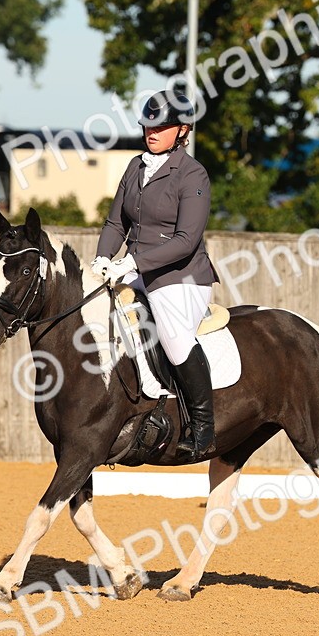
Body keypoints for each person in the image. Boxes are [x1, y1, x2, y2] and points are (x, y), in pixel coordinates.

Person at [93, 90, 219, 462]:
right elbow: (116, 221)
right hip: (138, 271)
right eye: (149, 124)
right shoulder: (135, 167)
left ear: (183, 130)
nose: (152, 131)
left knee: (174, 336)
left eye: (162, 126)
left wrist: (133, 263)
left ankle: (203, 426)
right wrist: (102, 257)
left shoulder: (193, 174)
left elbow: (185, 241)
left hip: (181, 278)